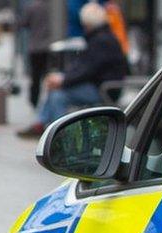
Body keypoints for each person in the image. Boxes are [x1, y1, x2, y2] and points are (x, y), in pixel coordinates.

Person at [17, 2, 127, 138]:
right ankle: (42, 124)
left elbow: (87, 70)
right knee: (55, 90)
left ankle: (63, 135)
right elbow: (85, 67)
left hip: (103, 88)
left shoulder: (100, 41)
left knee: (58, 96)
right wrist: (62, 78)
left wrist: (63, 81)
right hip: (99, 84)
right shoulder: (102, 38)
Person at [19, 0, 51, 109]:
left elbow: (24, 23)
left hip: (35, 47)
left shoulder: (32, 7)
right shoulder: (53, 8)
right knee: (49, 76)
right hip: (49, 47)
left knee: (35, 77)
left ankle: (34, 102)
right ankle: (48, 103)